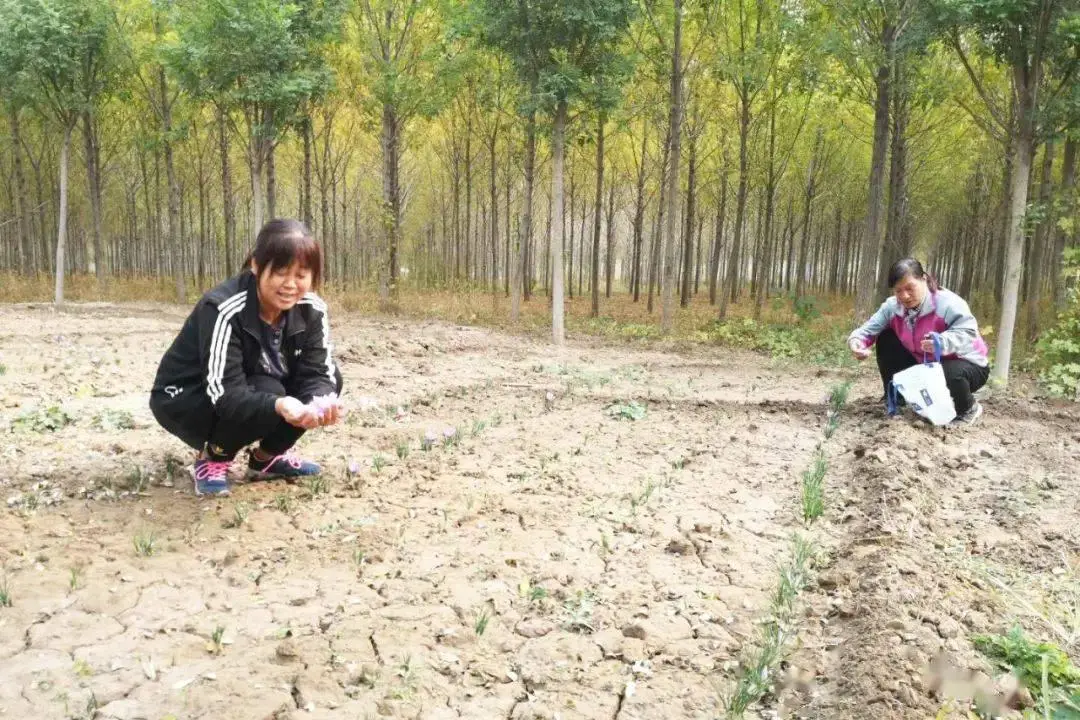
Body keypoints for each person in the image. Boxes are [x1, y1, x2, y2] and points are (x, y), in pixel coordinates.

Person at [150, 219, 344, 496]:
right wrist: (278, 405)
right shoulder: (223, 308)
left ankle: (266, 459)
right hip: (187, 397)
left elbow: (319, 374)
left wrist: (319, 404)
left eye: (301, 275)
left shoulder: (311, 309)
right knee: (269, 392)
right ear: (255, 265)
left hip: (251, 381)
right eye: (280, 272)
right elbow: (224, 393)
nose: (290, 285)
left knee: (331, 379)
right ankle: (214, 458)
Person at [847, 257, 990, 426]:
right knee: (886, 337)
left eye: (910, 288)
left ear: (923, 279)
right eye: (898, 291)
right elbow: (869, 329)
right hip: (925, 363)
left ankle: (968, 408)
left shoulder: (948, 303)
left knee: (949, 373)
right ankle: (896, 398)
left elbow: (968, 332)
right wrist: (857, 342)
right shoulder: (892, 307)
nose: (904, 296)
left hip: (966, 365)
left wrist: (942, 342)